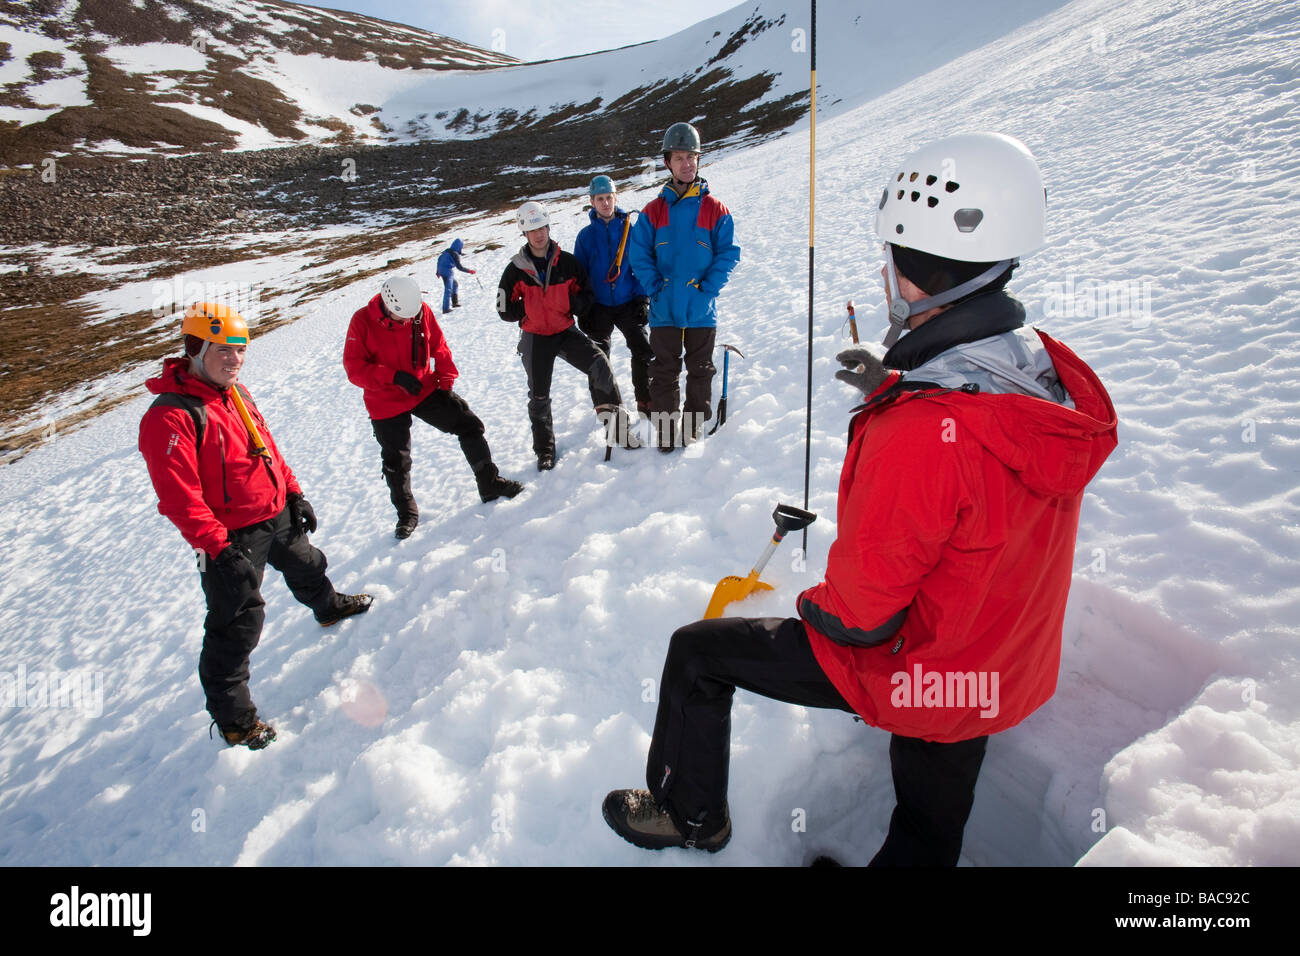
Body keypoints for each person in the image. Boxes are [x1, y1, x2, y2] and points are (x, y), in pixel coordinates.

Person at [603, 132, 1119, 863]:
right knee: (929, 825)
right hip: (998, 655)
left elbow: (861, 618)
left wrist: (808, 609)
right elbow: (983, 446)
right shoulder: (1042, 365)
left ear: (910, 277)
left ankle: (691, 815)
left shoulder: (921, 431)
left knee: (697, 653)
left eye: (891, 260)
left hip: (925, 660)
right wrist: (894, 379)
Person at [139, 303, 373, 751]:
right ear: (195, 349)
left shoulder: (237, 394)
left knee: (308, 563)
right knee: (237, 622)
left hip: (275, 512)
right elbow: (179, 499)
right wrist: (220, 550)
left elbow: (267, 448)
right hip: (231, 538)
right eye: (224, 349)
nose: (235, 359)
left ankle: (327, 608)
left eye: (241, 349)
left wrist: (294, 492)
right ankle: (234, 721)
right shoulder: (171, 416)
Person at [344, 275, 523, 540]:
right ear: (387, 304)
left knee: (469, 425)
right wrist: (392, 376)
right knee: (396, 460)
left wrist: (446, 380)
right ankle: (407, 514)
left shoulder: (420, 310)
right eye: (400, 317)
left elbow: (438, 345)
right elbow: (354, 369)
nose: (407, 321)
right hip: (385, 402)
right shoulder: (362, 322)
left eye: (410, 316)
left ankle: (489, 484)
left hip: (422, 389)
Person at [497, 200, 637, 470]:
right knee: (539, 395)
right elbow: (503, 309)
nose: (539, 234)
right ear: (524, 234)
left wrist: (572, 305)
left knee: (600, 364)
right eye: (532, 229)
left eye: (543, 227)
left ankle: (618, 429)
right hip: (535, 337)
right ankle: (545, 451)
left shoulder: (568, 263)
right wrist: (527, 308)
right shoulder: (515, 269)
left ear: (549, 227)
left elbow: (586, 295)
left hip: (564, 331)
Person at [626, 122, 740, 451]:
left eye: (692, 156)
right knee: (664, 371)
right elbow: (638, 254)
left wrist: (708, 288)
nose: (687, 163)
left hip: (701, 308)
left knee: (700, 369)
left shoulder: (715, 209)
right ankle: (664, 428)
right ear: (668, 163)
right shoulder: (652, 211)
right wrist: (655, 288)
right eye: (680, 158)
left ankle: (691, 427)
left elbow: (729, 252)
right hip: (664, 308)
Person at [572, 175, 655, 417]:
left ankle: (645, 400)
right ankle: (606, 407)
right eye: (600, 199)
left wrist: (642, 297)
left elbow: (642, 264)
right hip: (599, 307)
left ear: (615, 198)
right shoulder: (585, 237)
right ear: (592, 202)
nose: (606, 203)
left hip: (629, 302)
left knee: (643, 351)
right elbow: (580, 275)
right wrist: (585, 307)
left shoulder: (631, 229)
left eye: (609, 197)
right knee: (598, 359)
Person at [436, 238, 475, 314]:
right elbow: (459, 267)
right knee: (448, 289)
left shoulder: (447, 251)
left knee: (455, 284)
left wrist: (438, 272)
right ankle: (445, 309)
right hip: (447, 272)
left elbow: (439, 259)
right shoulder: (455, 254)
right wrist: (469, 271)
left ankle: (455, 303)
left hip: (442, 270)